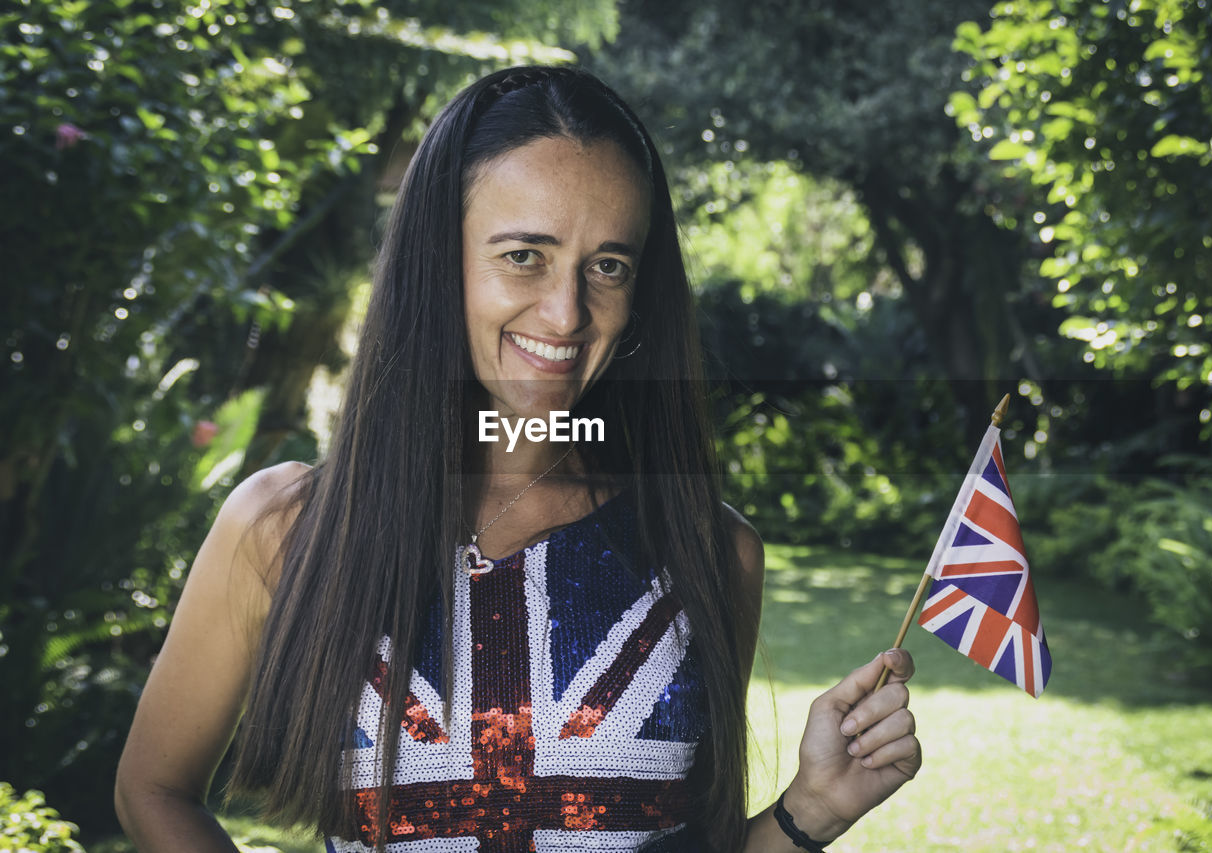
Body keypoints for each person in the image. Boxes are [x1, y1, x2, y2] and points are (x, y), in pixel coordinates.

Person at [114, 65, 920, 852]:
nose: (568, 312)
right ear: (441, 261)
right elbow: (152, 787)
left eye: (608, 265)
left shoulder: (711, 548)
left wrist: (807, 811)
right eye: (523, 254)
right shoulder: (285, 528)